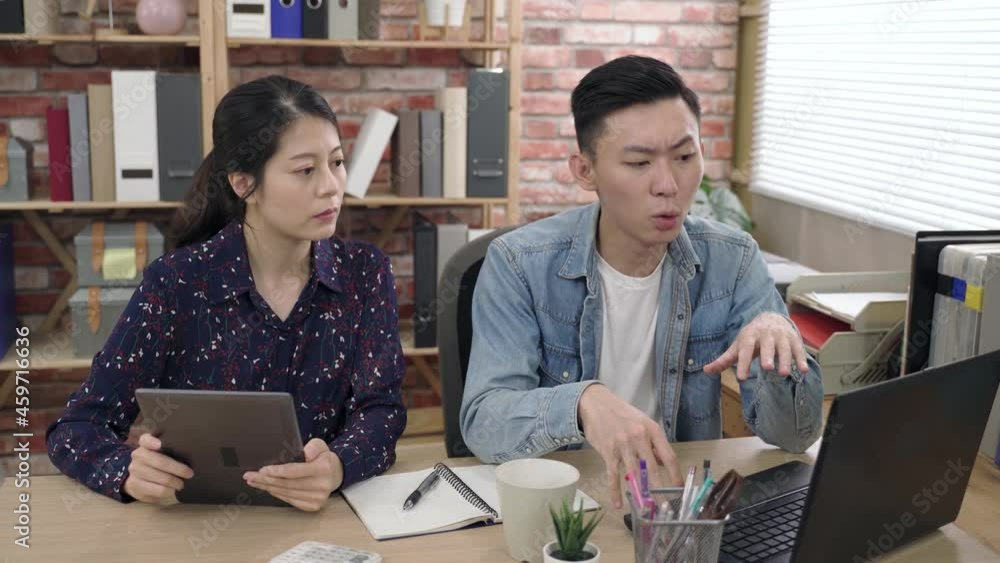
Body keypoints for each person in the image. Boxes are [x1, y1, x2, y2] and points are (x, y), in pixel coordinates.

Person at [460, 55, 823, 509]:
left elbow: (794, 437)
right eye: (638, 163)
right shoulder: (518, 264)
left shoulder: (733, 260)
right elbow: (484, 422)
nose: (668, 184)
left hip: (678, 512)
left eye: (685, 157)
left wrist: (780, 347)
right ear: (585, 171)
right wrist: (582, 403)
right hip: (563, 512)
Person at [45, 76, 407, 512]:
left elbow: (381, 411)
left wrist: (337, 466)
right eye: (305, 170)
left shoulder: (365, 273)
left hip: (326, 523)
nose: (331, 185)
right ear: (243, 183)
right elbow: (77, 427)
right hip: (198, 526)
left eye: (337, 162)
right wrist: (126, 470)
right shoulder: (176, 283)